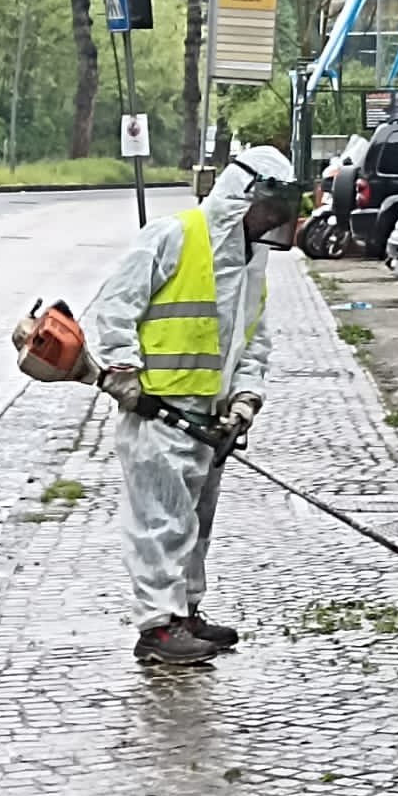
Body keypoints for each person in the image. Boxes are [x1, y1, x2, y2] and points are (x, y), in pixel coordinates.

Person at [87, 146, 305, 665]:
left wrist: (245, 398)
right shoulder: (174, 237)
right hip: (158, 410)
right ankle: (158, 628)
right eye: (267, 209)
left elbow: (252, 340)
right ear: (241, 197)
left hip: (209, 417)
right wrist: (124, 373)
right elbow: (116, 306)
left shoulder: (250, 264)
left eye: (277, 213)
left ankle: (185, 612)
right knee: (161, 522)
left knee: (194, 525)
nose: (270, 221)